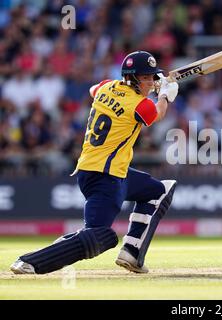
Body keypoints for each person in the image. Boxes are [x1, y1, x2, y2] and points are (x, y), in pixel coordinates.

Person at [10, 51, 179, 274]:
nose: (150, 82)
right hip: (105, 178)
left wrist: (153, 86)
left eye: (152, 77)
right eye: (146, 78)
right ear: (131, 79)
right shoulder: (140, 105)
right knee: (101, 236)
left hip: (104, 171)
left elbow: (94, 89)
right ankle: (32, 261)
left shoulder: (106, 87)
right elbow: (157, 113)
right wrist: (165, 95)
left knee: (158, 191)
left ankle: (132, 252)